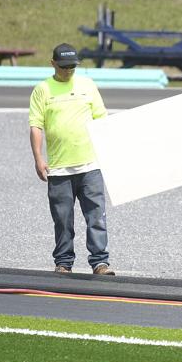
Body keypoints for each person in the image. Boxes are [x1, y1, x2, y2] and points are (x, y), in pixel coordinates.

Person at [28, 43, 114, 275]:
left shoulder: (87, 85)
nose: (68, 71)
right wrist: (38, 158)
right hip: (59, 168)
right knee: (63, 219)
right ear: (53, 64)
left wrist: (109, 153)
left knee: (96, 216)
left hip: (90, 165)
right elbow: (36, 126)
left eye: (72, 67)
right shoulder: (43, 90)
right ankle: (63, 263)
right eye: (64, 67)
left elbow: (102, 119)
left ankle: (100, 263)